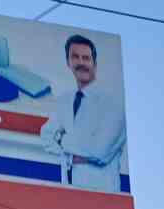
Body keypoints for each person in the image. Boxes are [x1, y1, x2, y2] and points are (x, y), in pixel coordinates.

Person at [40, 34, 127, 194]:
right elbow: (46, 136)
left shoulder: (113, 103)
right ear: (68, 62)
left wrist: (62, 139)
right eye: (75, 57)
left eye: (86, 58)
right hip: (69, 191)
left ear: (94, 63)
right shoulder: (64, 101)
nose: (81, 63)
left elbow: (100, 151)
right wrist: (74, 155)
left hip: (103, 195)